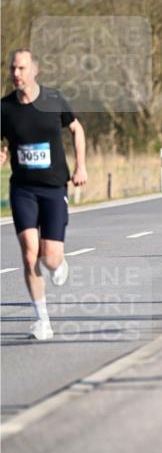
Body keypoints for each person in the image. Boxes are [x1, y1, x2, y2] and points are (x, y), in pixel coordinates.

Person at [0, 48, 87, 340]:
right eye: (13, 68)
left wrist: (81, 167)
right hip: (23, 188)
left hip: (53, 187)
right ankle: (43, 320)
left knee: (49, 258)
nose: (16, 74)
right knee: (28, 253)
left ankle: (58, 263)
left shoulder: (53, 100)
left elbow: (77, 129)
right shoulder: (5, 108)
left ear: (34, 70)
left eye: (22, 68)